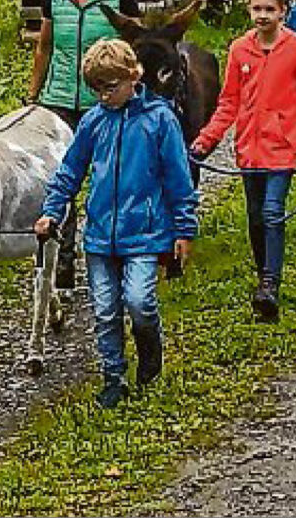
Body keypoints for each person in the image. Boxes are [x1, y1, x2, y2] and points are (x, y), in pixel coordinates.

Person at [35, 39, 198, 409]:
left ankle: (149, 354)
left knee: (139, 302)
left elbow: (178, 179)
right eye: (96, 90)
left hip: (146, 233)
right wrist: (52, 210)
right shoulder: (93, 122)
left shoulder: (160, 120)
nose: (103, 97)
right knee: (105, 310)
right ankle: (114, 376)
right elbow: (70, 172)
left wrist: (184, 230)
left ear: (133, 76)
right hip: (99, 238)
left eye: (109, 88)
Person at [190, 0, 296, 322]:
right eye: (257, 8)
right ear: (248, 9)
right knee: (255, 218)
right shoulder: (240, 49)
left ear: (284, 11)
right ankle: (263, 274)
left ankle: (270, 284)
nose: (263, 15)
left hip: (282, 148)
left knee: (272, 212)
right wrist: (206, 139)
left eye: (270, 9)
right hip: (248, 151)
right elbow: (228, 103)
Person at [27, 0, 141, 292]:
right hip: (60, 97)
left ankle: (113, 253)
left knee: (109, 174)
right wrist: (33, 95)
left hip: (105, 97)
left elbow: (133, 45)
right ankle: (62, 263)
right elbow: (44, 45)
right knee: (63, 179)